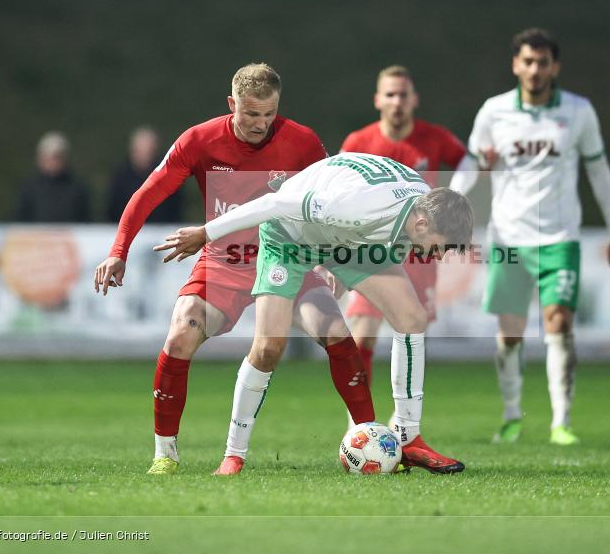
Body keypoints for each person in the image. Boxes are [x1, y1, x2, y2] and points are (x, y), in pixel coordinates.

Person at [93, 64, 376, 476]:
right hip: (224, 262)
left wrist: (330, 256)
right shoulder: (200, 140)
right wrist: (118, 251)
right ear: (232, 104)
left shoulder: (302, 141)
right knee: (179, 337)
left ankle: (372, 441)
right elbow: (148, 192)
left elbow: (329, 201)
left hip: (288, 258)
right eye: (251, 114)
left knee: (336, 332)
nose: (261, 124)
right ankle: (164, 454)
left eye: (269, 114)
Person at [155, 153, 475, 475]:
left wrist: (339, 267)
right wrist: (206, 232)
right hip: (289, 238)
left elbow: (382, 235)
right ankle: (233, 455)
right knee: (268, 348)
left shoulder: (420, 206)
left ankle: (409, 437)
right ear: (422, 224)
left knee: (411, 318)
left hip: (347, 241)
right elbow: (273, 204)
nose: (438, 256)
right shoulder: (358, 205)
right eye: (440, 247)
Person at [450, 28, 610, 446]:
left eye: (542, 62)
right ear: (516, 65)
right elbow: (471, 163)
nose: (534, 70)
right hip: (508, 237)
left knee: (559, 321)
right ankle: (512, 415)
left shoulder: (578, 111)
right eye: (527, 61)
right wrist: (451, 208)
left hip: (559, 237)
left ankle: (561, 421)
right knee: (510, 333)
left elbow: (598, 169)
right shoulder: (494, 112)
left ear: (555, 67)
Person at [340, 65, 466, 402]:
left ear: (414, 100)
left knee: (412, 335)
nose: (397, 102)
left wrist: (453, 206)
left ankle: (404, 419)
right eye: (390, 94)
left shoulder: (435, 139)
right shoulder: (358, 142)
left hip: (419, 254)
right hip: (372, 251)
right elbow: (337, 184)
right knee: (361, 336)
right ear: (378, 100)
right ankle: (358, 421)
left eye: (403, 95)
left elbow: (468, 163)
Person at [106, 126, 183, 223]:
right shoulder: (120, 177)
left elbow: (175, 209)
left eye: (149, 151)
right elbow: (112, 209)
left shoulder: (168, 175)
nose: (144, 155)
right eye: (140, 150)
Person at [14, 131, 91, 222]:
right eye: (47, 157)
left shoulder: (78, 188)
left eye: (56, 157)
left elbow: (86, 221)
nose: (52, 162)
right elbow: (20, 219)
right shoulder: (29, 188)